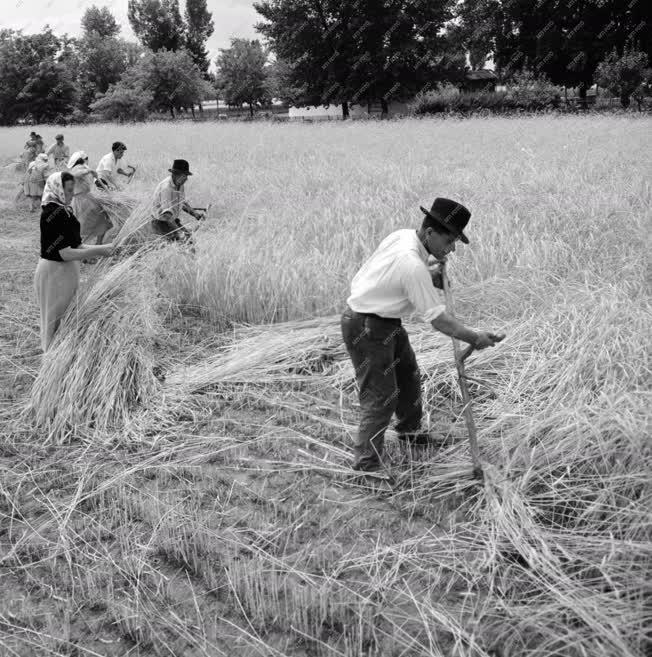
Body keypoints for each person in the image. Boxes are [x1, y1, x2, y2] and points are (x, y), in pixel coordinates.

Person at [341, 197, 505, 474]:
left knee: (408, 376)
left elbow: (395, 275)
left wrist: (430, 275)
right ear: (430, 233)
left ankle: (410, 433)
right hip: (367, 328)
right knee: (380, 398)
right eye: (449, 241)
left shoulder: (404, 237)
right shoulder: (412, 263)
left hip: (384, 321)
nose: (451, 249)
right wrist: (475, 337)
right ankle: (366, 467)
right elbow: (440, 320)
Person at [34, 172, 115, 352]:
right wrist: (100, 250)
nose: (72, 195)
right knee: (53, 322)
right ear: (58, 189)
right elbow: (64, 253)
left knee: (68, 318)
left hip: (66, 273)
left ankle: (62, 359)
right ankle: (51, 365)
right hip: (54, 274)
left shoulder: (64, 210)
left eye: (73, 190)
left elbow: (76, 245)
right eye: (69, 191)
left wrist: (106, 247)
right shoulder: (52, 213)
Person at [151, 159, 205, 243]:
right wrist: (179, 232)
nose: (186, 179)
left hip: (172, 220)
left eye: (186, 176)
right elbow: (167, 216)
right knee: (183, 243)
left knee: (189, 241)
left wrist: (195, 214)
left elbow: (181, 202)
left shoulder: (179, 184)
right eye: (184, 176)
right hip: (161, 223)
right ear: (175, 174)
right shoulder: (167, 188)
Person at [67, 151, 114, 245]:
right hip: (83, 200)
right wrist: (89, 171)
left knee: (101, 221)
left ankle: (98, 244)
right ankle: (84, 250)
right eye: (86, 159)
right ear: (83, 159)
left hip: (87, 198)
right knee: (86, 225)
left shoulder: (83, 167)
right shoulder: (77, 168)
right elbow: (75, 175)